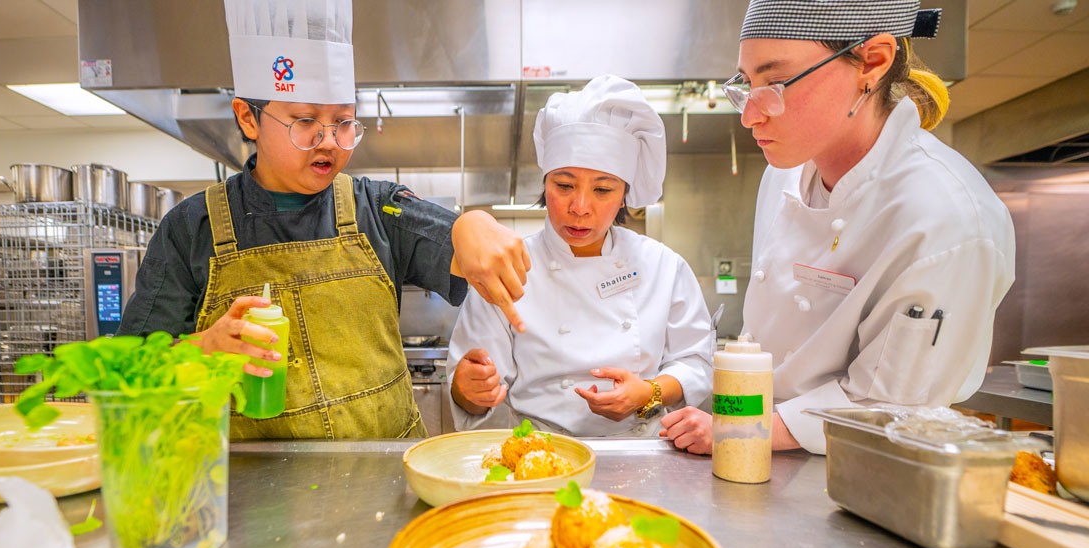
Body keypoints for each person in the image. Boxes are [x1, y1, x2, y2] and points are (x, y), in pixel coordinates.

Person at [118, 0, 529, 440]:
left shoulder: (378, 208)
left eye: (344, 122)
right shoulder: (191, 228)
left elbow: (454, 239)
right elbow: (126, 374)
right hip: (253, 496)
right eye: (305, 121)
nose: (329, 142)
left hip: (384, 485)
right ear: (247, 118)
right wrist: (203, 349)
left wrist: (472, 225)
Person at [661, 0, 1014, 455]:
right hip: (762, 458)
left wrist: (747, 430)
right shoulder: (785, 172)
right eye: (747, 85)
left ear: (872, 61)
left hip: (863, 464)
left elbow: (889, 404)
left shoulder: (946, 219)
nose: (750, 115)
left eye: (777, 83)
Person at [447, 75, 714, 437]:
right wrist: (468, 389)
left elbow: (698, 362)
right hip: (541, 457)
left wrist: (649, 393)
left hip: (643, 455)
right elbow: (474, 399)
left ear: (624, 196)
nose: (580, 207)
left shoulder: (662, 266)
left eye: (603, 189)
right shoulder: (505, 265)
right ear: (545, 184)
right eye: (564, 185)